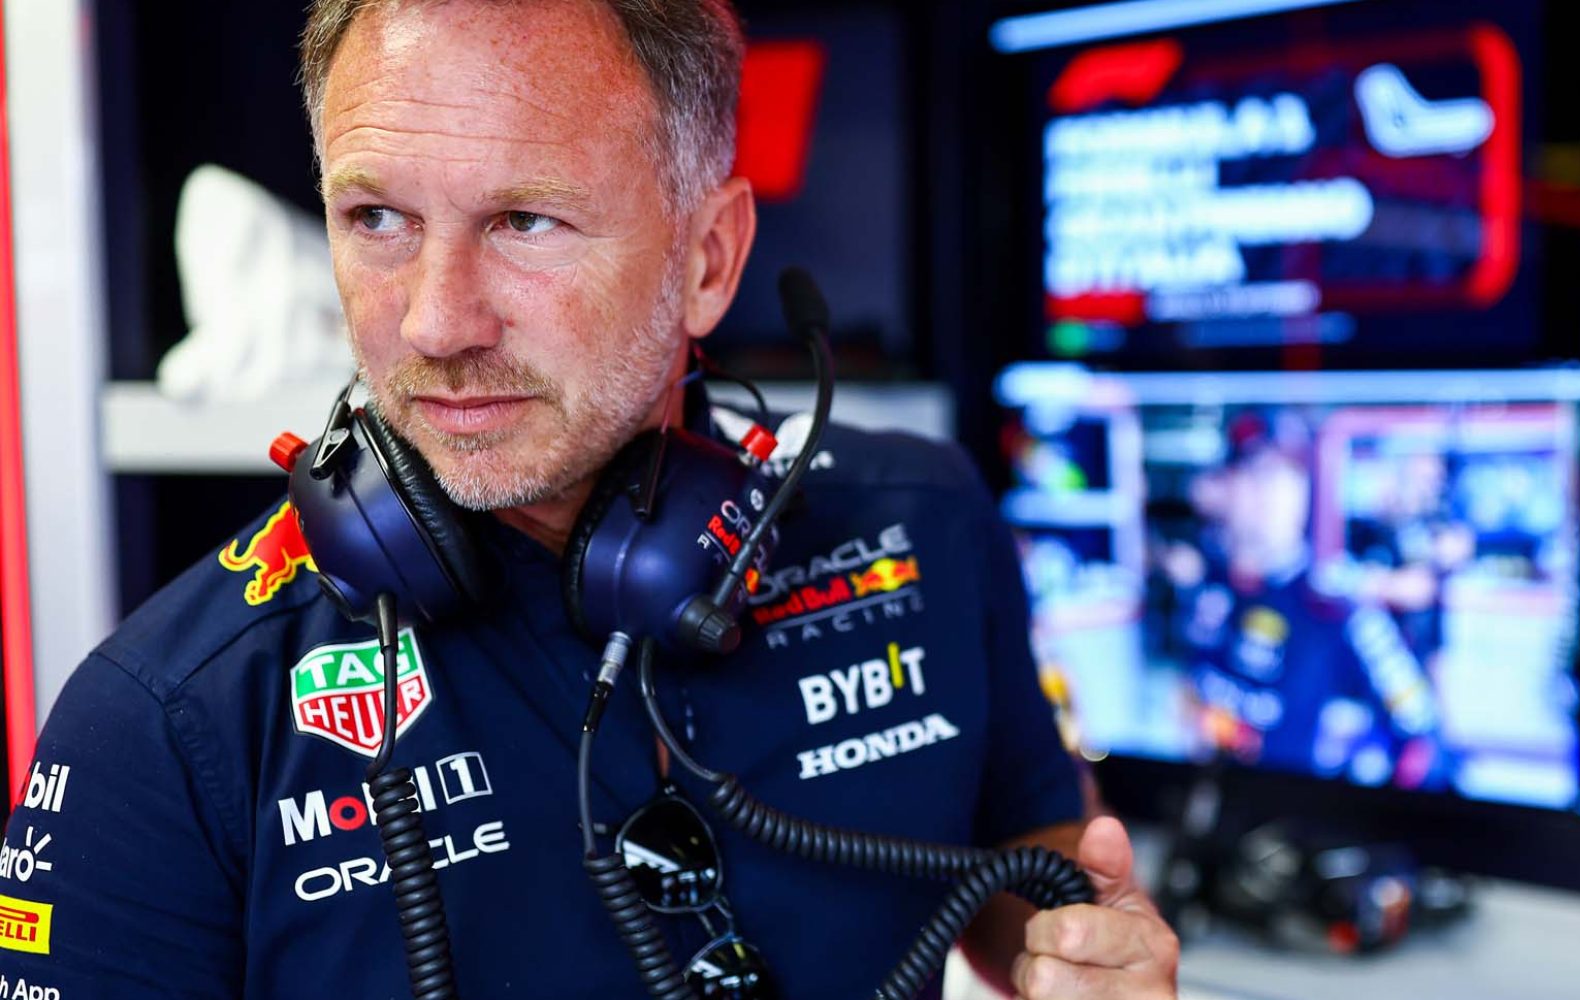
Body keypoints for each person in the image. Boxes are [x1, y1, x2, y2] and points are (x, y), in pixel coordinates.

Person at [0, 2, 1179, 997]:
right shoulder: (162, 726)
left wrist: (1068, 943)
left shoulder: (921, 516)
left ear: (708, 260)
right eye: (378, 220)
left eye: (524, 220)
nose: (435, 323)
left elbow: (1029, 834)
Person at [1164, 413, 1444, 790]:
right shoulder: (1210, 585)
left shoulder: (1334, 605)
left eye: (1282, 477)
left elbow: (1417, 730)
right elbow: (1191, 683)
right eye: (1251, 474)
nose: (1264, 495)